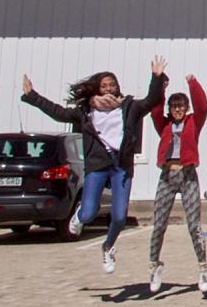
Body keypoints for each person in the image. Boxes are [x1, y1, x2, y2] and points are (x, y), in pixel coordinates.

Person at [20, 56, 167, 274]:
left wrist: (156, 77)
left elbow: (152, 100)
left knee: (118, 216)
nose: (108, 88)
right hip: (97, 164)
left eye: (112, 85)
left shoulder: (129, 107)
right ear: (97, 89)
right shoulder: (86, 111)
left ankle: (108, 247)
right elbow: (58, 112)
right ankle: (79, 216)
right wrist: (32, 96)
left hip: (121, 166)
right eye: (104, 85)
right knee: (89, 213)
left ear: (118, 87)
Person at [147, 74, 207, 292]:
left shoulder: (193, 122)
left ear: (186, 107)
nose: (177, 109)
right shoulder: (163, 125)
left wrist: (193, 83)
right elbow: (154, 109)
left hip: (188, 174)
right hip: (167, 175)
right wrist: (159, 85)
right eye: (174, 106)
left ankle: (203, 267)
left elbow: (203, 106)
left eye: (181, 106)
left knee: (194, 225)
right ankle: (154, 265)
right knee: (159, 225)